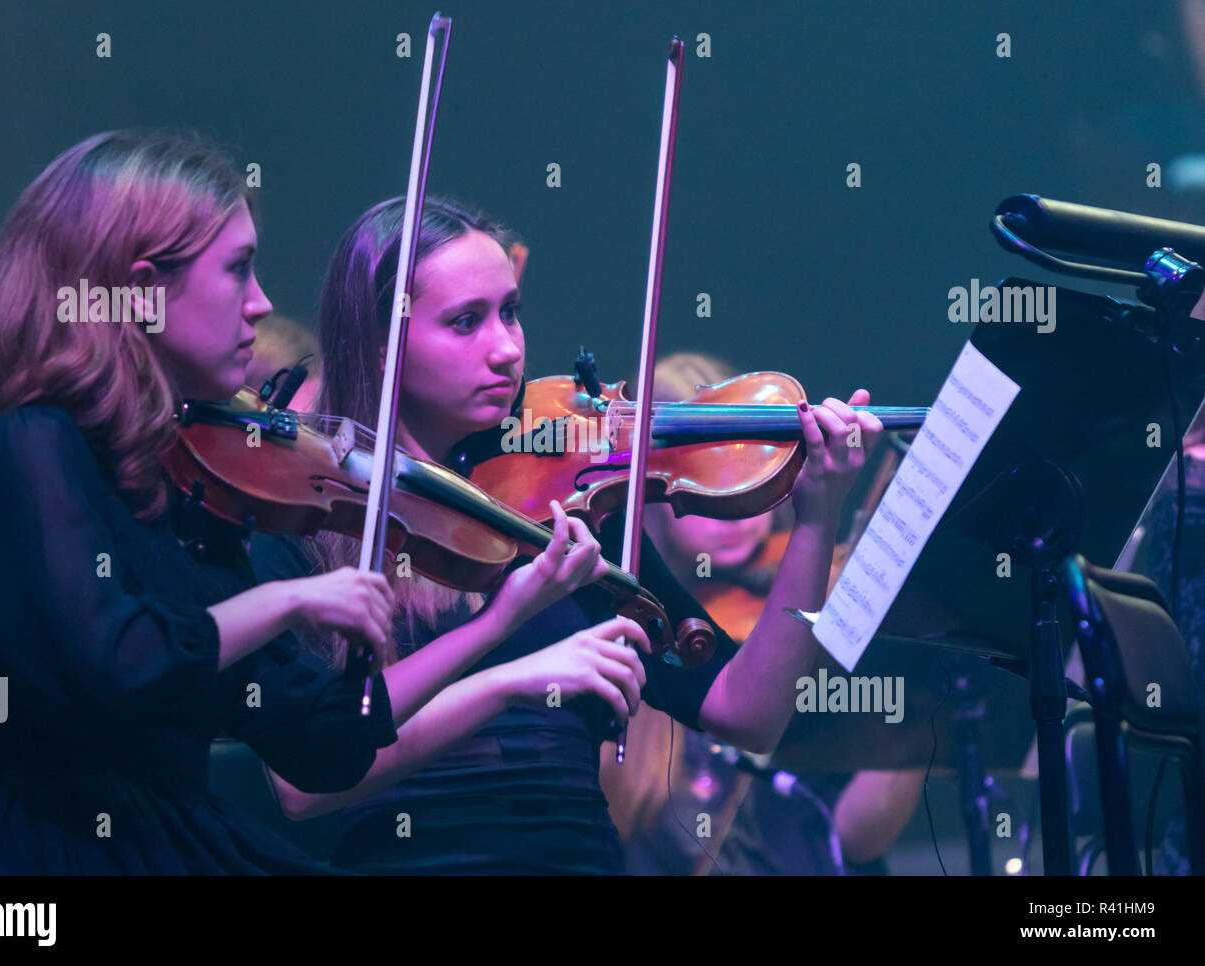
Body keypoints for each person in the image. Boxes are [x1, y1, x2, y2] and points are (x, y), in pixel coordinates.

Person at [0, 133, 588, 874]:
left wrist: (497, 623)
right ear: (142, 290)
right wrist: (287, 601)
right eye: (237, 269)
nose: (262, 303)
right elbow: (120, 664)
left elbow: (321, 748)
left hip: (180, 844)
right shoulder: (32, 445)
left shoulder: (192, 481)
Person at [250, 195, 883, 874]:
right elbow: (301, 786)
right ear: (381, 343)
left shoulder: (568, 508)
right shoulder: (312, 513)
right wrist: (508, 676)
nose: (506, 348)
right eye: (465, 322)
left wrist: (818, 513)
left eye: (510, 312)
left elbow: (748, 712)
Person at [600, 351, 924, 875]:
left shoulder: (808, 598)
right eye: (707, 469)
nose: (733, 500)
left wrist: (920, 684)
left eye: (747, 465)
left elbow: (856, 837)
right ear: (652, 485)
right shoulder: (633, 628)